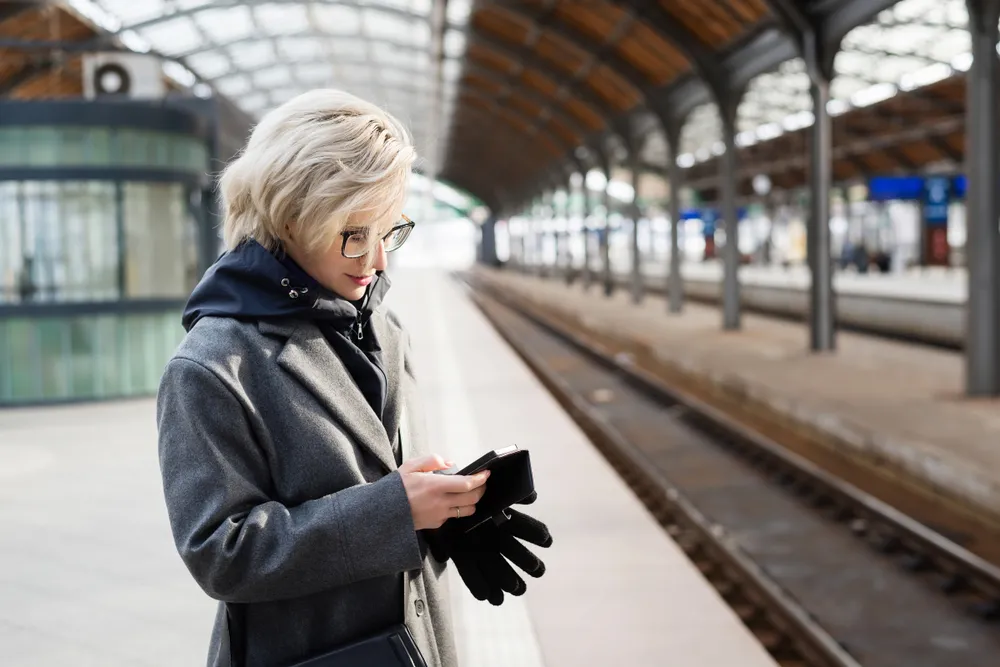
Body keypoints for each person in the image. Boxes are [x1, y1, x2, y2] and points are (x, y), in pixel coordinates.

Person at [155, 89, 549, 667]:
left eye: (389, 232)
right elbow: (222, 553)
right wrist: (395, 512)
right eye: (353, 234)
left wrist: (447, 517)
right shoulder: (212, 366)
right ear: (290, 217)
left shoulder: (382, 327)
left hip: (411, 643)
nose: (377, 259)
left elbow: (380, 475)